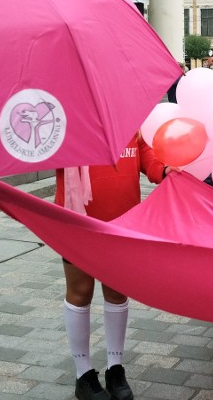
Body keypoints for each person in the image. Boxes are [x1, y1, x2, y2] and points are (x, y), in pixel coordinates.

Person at [55, 134, 167, 400]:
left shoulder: (124, 110)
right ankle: (83, 374)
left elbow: (142, 149)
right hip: (76, 217)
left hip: (124, 219)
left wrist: (162, 170)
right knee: (80, 292)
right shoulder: (66, 116)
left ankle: (115, 368)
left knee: (117, 292)